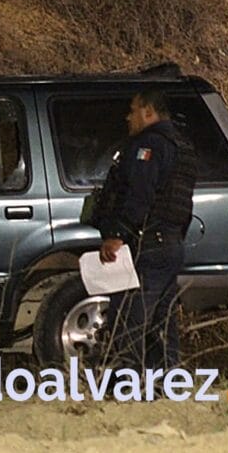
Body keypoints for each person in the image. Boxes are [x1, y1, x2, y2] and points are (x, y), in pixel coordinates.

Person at [97, 91, 197, 373]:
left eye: (133, 110)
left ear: (149, 111)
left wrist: (118, 234)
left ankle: (124, 386)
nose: (128, 117)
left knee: (128, 317)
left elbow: (140, 195)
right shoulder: (182, 147)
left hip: (149, 243)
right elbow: (181, 203)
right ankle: (166, 383)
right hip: (171, 242)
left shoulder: (149, 146)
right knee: (161, 323)